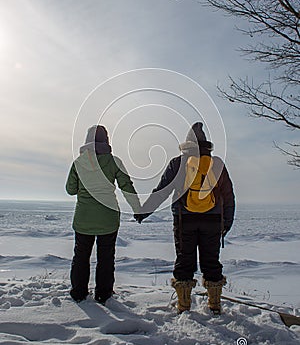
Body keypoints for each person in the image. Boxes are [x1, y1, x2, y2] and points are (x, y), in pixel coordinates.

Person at [134, 122, 235, 314]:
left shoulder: (178, 163)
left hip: (184, 220)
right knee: (211, 261)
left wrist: (143, 211)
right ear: (205, 143)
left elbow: (162, 192)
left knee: (184, 260)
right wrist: (226, 222)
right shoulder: (217, 164)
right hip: (213, 221)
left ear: (187, 143)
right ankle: (214, 305)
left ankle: (184, 305)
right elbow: (228, 196)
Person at [66, 125, 140, 304]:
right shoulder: (114, 161)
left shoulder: (78, 163)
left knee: (81, 256)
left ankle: (79, 293)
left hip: (84, 219)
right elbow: (126, 186)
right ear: (106, 140)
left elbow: (70, 190)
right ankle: (103, 294)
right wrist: (137, 208)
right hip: (108, 219)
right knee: (106, 257)